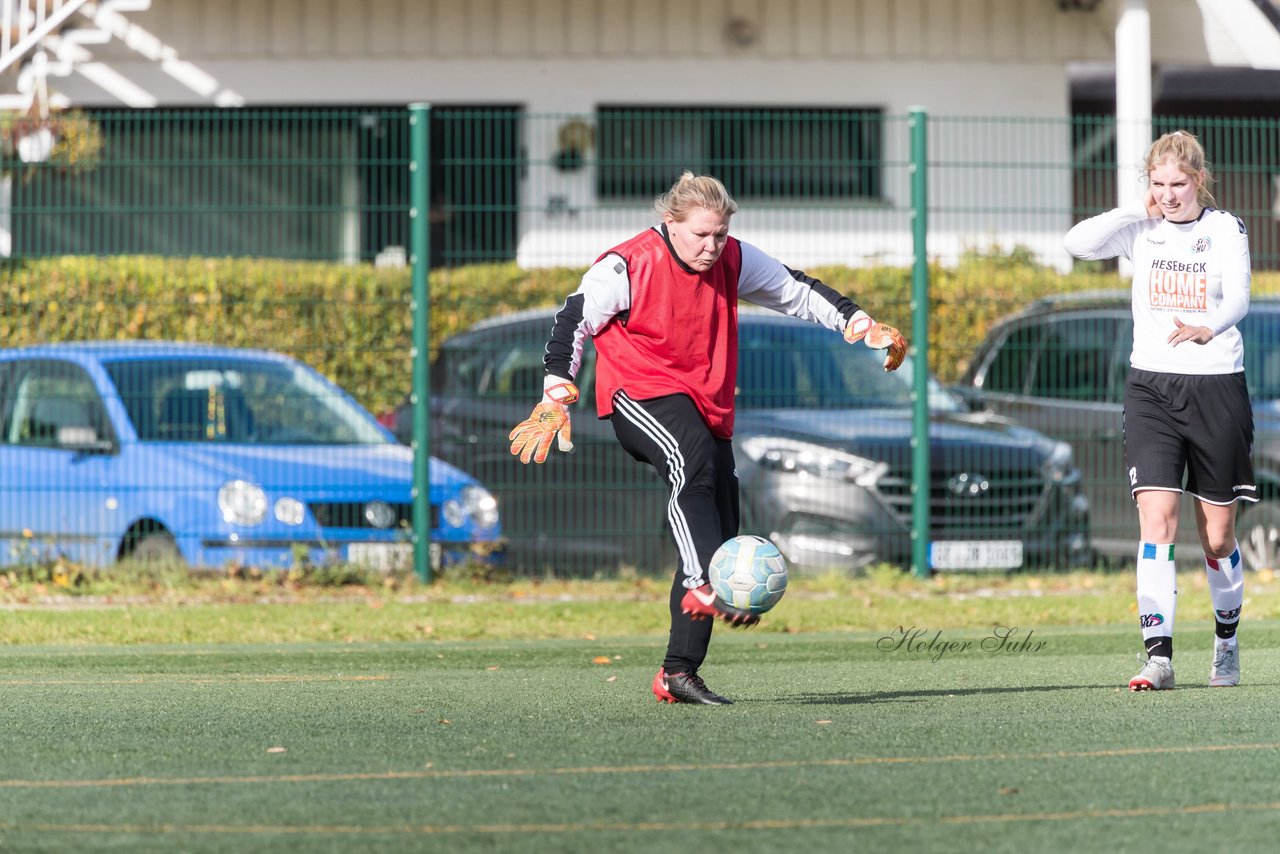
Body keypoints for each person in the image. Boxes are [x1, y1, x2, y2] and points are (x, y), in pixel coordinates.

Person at [508, 172, 906, 705]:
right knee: (690, 466)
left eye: (719, 234)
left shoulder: (734, 258)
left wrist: (859, 323)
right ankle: (704, 582)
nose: (711, 246)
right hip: (639, 393)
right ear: (670, 223)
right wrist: (556, 392)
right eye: (700, 235)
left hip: (705, 405)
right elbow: (573, 319)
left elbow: (796, 291)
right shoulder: (627, 264)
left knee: (718, 518)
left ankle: (679, 671)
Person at [1064, 130, 1255, 691]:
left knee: (1217, 538)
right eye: (1158, 184)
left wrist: (1209, 327)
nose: (1169, 195)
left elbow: (1241, 296)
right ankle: (1159, 657)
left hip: (1217, 385)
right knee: (1157, 522)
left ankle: (1226, 642)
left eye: (1178, 183)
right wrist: (1135, 208)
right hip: (1150, 389)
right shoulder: (1140, 230)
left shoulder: (1225, 228)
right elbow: (1077, 243)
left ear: (1199, 180)